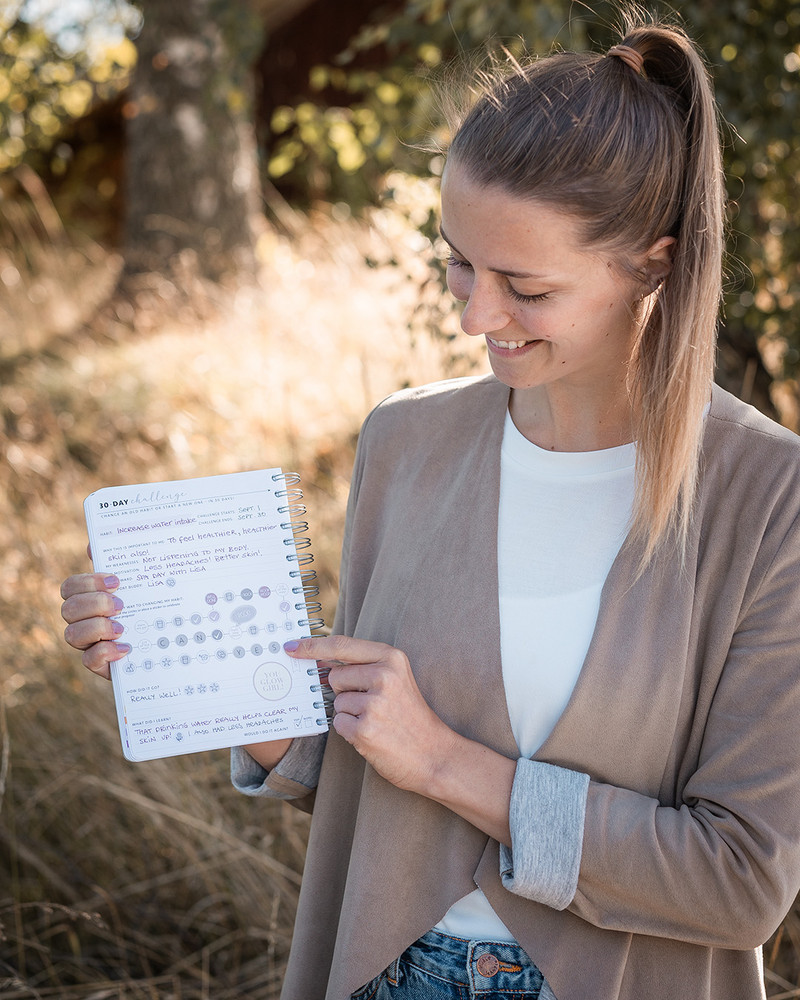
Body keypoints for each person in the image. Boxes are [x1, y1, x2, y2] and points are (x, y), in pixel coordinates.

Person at [60, 11, 800, 1000]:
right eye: (458, 261)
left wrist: (447, 762)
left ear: (651, 266)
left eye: (524, 288)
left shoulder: (766, 497)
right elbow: (365, 764)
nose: (473, 316)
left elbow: (739, 878)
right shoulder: (406, 442)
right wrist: (194, 667)